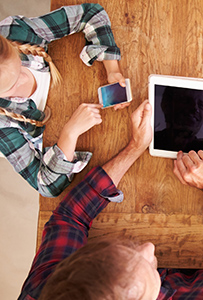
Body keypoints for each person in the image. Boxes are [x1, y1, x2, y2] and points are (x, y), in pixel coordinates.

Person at [18, 100, 203, 299]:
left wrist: (135, 148)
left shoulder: (48, 289)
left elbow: (70, 217)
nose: (149, 246)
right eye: (150, 272)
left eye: (125, 248)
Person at [0, 3, 127, 197]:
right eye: (10, 87)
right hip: (56, 138)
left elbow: (91, 13)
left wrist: (112, 69)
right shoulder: (3, 125)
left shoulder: (14, 32)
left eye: (19, 66)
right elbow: (46, 186)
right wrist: (69, 133)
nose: (23, 79)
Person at [154, 86, 203, 152]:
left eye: (201, 105)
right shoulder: (150, 141)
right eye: (187, 101)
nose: (195, 109)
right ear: (166, 105)